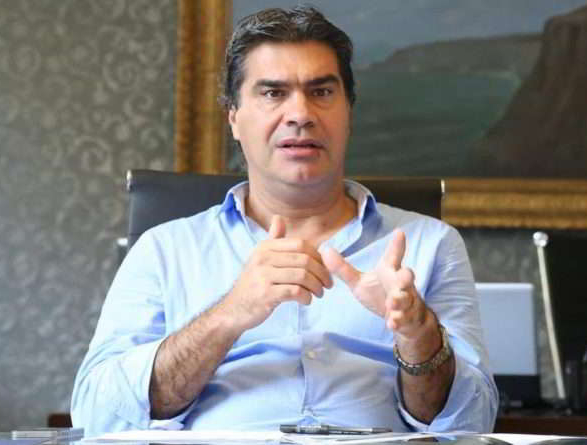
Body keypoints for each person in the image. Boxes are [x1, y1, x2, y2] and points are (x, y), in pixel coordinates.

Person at [71, 6, 497, 436]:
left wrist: (420, 335)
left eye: (321, 91)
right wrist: (230, 313)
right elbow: (98, 417)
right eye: (273, 93)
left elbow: (471, 423)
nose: (300, 114)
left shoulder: (430, 244)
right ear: (234, 118)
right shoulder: (164, 249)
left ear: (348, 111)